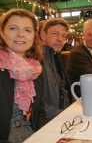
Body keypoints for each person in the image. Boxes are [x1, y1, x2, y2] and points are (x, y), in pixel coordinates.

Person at [0, 9, 47, 142]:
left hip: (31, 134)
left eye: (27, 30)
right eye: (13, 28)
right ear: (2, 33)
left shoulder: (35, 69)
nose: (20, 34)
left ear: (34, 36)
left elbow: (40, 111)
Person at [40, 18, 72, 121]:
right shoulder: (36, 62)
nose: (60, 39)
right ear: (43, 35)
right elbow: (38, 105)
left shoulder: (55, 58)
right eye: (55, 34)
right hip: (50, 122)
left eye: (63, 36)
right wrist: (64, 115)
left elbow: (63, 91)